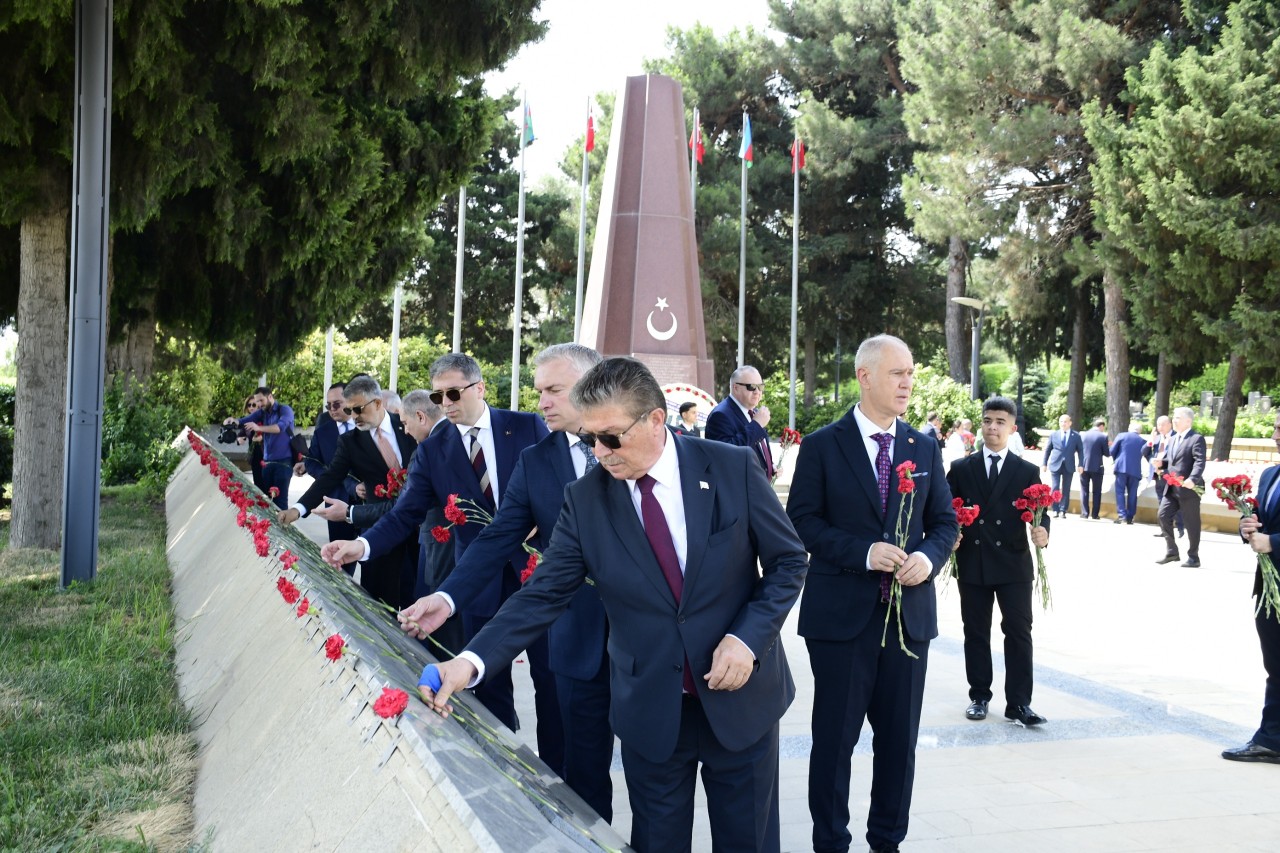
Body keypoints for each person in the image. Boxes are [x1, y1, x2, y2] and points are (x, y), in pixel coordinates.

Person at [413, 357, 808, 853]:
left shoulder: (730, 466)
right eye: (590, 439)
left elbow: (789, 562)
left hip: (742, 697)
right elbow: (543, 593)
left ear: (656, 420)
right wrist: (467, 664)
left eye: (612, 438)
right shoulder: (585, 498)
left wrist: (747, 639)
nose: (599, 452)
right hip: (651, 711)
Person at [398, 344, 616, 819]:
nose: (542, 402)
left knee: (659, 782)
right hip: (573, 635)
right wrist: (446, 597)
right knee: (581, 779)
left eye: (555, 390)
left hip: (654, 648)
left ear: (593, 384)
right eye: (540, 391)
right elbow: (497, 538)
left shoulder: (642, 445)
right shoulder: (538, 459)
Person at [321, 353, 559, 767]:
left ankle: (560, 781)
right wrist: (361, 546)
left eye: (453, 392)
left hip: (538, 578)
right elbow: (404, 515)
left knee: (553, 684)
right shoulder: (433, 451)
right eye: (438, 394)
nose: (445, 402)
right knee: (489, 686)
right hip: (477, 583)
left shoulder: (527, 427)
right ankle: (504, 769)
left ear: (479, 388)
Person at [785, 334, 958, 853]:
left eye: (910, 372)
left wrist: (927, 557)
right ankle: (830, 842)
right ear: (864, 376)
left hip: (909, 623)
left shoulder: (923, 446)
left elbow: (944, 521)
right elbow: (802, 522)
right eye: (896, 373)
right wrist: (863, 552)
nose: (907, 382)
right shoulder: (821, 445)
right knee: (834, 743)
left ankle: (887, 841)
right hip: (842, 622)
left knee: (899, 744)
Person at [313, 389, 459, 630]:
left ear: (420, 416)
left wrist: (352, 520)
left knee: (437, 628)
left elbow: (403, 509)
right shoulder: (443, 439)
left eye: (405, 423)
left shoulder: (428, 447)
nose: (406, 430)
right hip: (415, 543)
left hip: (439, 549)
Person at [947, 396, 1050, 728]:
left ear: (1012, 428)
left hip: (1014, 563)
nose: (992, 427)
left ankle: (1019, 703)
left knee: (1019, 631)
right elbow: (945, 511)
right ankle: (979, 696)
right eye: (988, 420)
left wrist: (1043, 532)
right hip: (973, 561)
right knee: (975, 632)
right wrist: (951, 534)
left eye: (1000, 422)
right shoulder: (963, 468)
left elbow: (1041, 512)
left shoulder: (1027, 470)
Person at [278, 375, 419, 609]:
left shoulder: (407, 426)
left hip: (419, 532)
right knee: (379, 603)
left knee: (416, 597)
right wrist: (298, 509)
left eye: (358, 410)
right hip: (378, 527)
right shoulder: (350, 441)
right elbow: (330, 476)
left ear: (377, 403)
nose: (354, 417)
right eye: (349, 410)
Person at [1225, 413, 1280, 764]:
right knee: (1275, 664)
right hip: (1270, 590)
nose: (1276, 435)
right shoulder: (1270, 474)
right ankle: (1272, 738)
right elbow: (1259, 521)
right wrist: (1247, 527)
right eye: (1276, 428)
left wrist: (1273, 542)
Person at [296, 382, 361, 574]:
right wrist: (333, 476)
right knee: (341, 560)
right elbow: (312, 462)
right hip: (336, 500)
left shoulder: (364, 426)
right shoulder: (323, 432)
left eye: (337, 404)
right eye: (328, 405)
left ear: (349, 401)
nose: (332, 409)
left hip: (368, 504)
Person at [226, 386, 295, 510]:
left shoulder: (284, 410)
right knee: (267, 501)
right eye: (257, 401)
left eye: (261, 400)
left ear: (270, 397)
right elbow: (245, 420)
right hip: (267, 463)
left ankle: (283, 527)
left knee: (280, 502)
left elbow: (279, 428)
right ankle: (267, 528)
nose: (258, 404)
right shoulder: (262, 413)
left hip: (284, 462)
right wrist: (233, 421)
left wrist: (259, 428)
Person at [1155, 406, 1206, 568]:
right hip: (1171, 488)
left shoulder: (1196, 438)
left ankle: (1193, 557)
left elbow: (1199, 461)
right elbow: (1174, 461)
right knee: (1163, 515)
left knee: (1192, 523)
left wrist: (1193, 478)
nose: (1174, 421)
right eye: (1174, 417)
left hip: (1189, 489)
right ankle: (1172, 552)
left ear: (1188, 421)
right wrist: (1161, 464)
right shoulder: (1174, 438)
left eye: (1177, 418)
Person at [705, 365, 774, 477]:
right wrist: (756, 425)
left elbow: (755, 447)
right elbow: (726, 454)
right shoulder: (720, 415)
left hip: (756, 486)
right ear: (735, 388)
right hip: (736, 490)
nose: (757, 392)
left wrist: (769, 466)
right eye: (751, 387)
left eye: (760, 386)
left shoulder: (753, 412)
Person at [1144, 415, 1183, 538]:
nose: (1160, 427)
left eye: (1162, 424)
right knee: (1162, 502)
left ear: (1169, 425)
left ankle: (1181, 526)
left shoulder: (1175, 437)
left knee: (1174, 501)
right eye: (1158, 424)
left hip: (1170, 474)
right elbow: (1144, 452)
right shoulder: (1156, 439)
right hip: (1158, 475)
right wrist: (1151, 441)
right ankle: (1165, 529)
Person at [1042, 415, 1084, 518]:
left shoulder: (1076, 436)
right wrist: (1044, 463)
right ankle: (1055, 509)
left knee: (1066, 488)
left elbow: (1081, 451)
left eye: (1065, 422)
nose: (1063, 424)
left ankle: (1063, 510)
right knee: (1055, 487)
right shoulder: (1054, 435)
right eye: (1061, 422)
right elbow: (1048, 450)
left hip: (1069, 465)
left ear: (1070, 423)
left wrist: (1081, 464)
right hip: (1055, 464)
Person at [1110, 422, 1146, 525]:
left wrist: (1116, 459)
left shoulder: (1122, 436)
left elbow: (1112, 451)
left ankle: (1122, 516)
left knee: (1120, 492)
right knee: (1133, 493)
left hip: (1121, 468)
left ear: (1130, 428)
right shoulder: (1143, 441)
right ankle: (1130, 516)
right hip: (1135, 470)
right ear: (1140, 431)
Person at [1080, 417, 1110, 519]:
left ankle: (1084, 513)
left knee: (1084, 490)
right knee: (1097, 491)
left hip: (1084, 466)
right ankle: (1095, 514)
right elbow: (1107, 453)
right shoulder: (1103, 436)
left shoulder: (1083, 435)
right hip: (1097, 467)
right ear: (1101, 426)